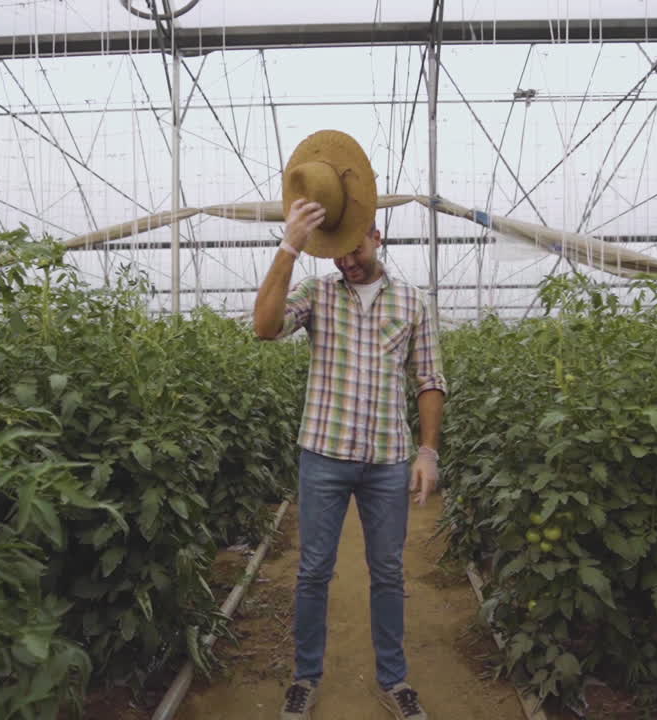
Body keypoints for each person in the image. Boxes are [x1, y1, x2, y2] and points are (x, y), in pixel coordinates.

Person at [253, 129, 446, 720]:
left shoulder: (412, 303)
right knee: (314, 570)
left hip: (388, 459)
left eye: (354, 246)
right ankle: (305, 677)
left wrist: (428, 452)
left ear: (375, 234)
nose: (346, 257)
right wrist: (289, 246)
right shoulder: (317, 293)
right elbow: (263, 327)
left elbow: (430, 381)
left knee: (387, 571)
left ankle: (394, 679)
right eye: (334, 248)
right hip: (325, 456)